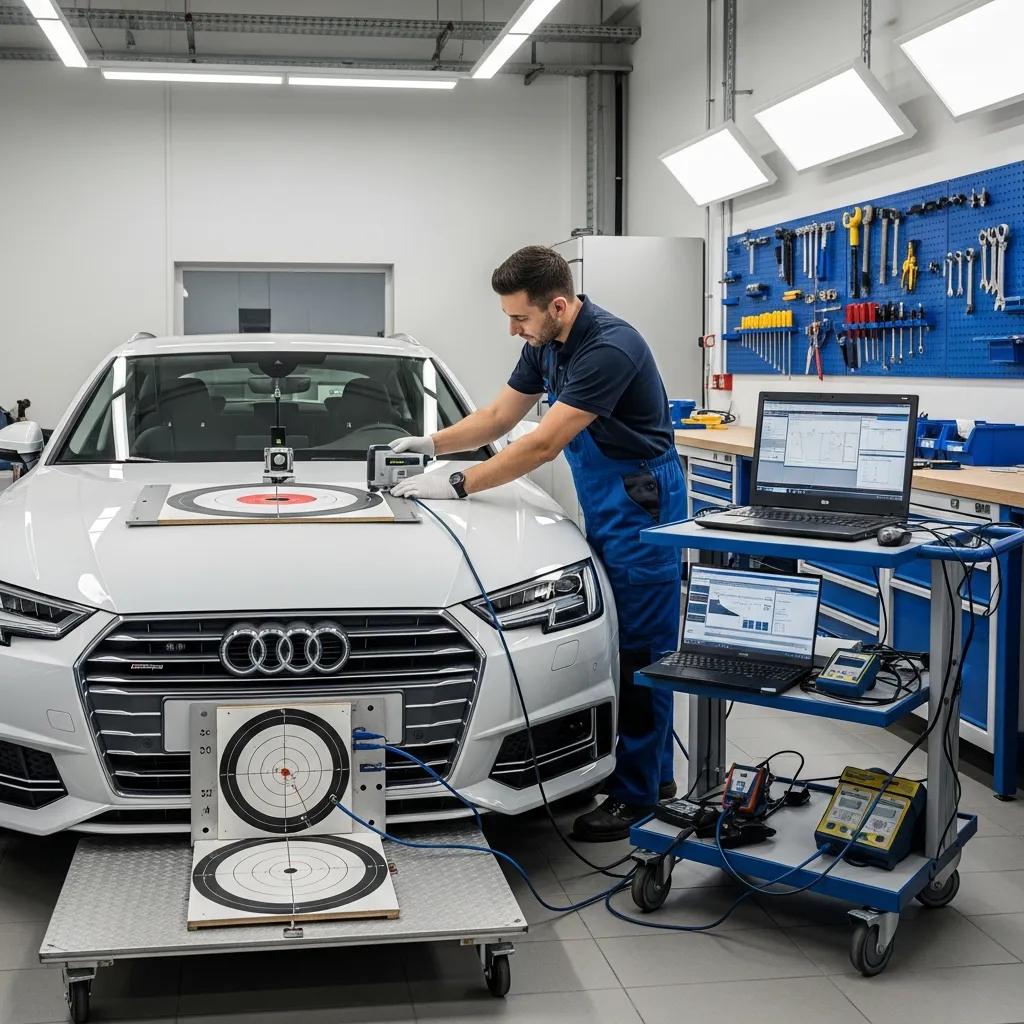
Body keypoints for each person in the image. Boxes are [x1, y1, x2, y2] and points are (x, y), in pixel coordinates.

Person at [390, 244, 685, 841]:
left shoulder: (608, 347)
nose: (512, 329)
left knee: (641, 650)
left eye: (519, 318)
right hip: (607, 495)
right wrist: (431, 445)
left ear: (557, 305)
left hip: (640, 500)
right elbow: (500, 417)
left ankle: (641, 795)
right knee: (620, 635)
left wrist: (459, 482)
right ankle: (648, 774)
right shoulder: (544, 344)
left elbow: (541, 445)